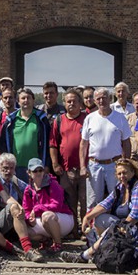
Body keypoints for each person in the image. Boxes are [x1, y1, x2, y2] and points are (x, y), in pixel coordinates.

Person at [61, 158, 138, 264]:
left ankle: (85, 256)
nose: (122, 176)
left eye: (125, 172)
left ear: (132, 172)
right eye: (119, 174)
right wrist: (88, 217)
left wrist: (118, 229)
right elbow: (104, 204)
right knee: (100, 219)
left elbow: (135, 215)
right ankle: (101, 250)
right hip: (128, 228)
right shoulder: (120, 188)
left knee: (113, 229)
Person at [80, 87, 132, 208]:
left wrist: (126, 163)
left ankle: (117, 225)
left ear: (109, 99)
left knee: (118, 198)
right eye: (98, 99)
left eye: (104, 98)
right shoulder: (89, 118)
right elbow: (83, 144)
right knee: (93, 201)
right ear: (95, 101)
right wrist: (83, 166)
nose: (101, 101)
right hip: (94, 165)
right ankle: (92, 226)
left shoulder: (120, 118)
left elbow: (126, 142)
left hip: (115, 164)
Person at [49, 89, 87, 234]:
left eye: (74, 101)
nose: (71, 104)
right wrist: (55, 163)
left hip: (85, 168)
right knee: (69, 202)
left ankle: (85, 230)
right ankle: (72, 230)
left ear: (80, 103)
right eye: (68, 101)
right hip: (66, 169)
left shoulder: (87, 118)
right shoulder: (59, 120)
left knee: (84, 202)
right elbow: (53, 144)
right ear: (64, 103)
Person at [22, 158, 75, 253]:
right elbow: (26, 210)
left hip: (63, 219)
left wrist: (37, 208)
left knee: (46, 216)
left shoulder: (53, 184)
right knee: (25, 230)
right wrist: (29, 219)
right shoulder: (28, 190)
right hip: (44, 221)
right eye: (35, 171)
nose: (38, 173)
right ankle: (46, 241)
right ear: (29, 173)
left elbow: (57, 206)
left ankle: (58, 244)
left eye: (40, 170)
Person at [0, 88, 51, 180]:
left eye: (28, 98)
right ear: (18, 101)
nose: (26, 100)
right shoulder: (10, 121)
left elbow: (48, 143)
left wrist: (46, 164)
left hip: (36, 167)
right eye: (23, 98)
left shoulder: (41, 119)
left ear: (33, 100)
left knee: (35, 194)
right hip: (15, 167)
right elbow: (3, 144)